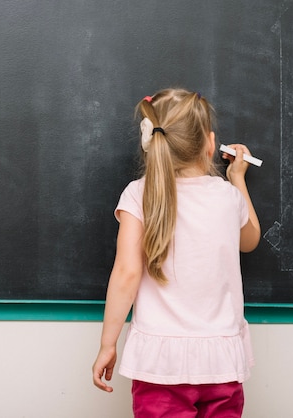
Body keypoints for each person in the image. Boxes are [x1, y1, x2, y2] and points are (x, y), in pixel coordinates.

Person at [92, 88, 261, 417]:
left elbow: (127, 273)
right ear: (210, 144)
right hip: (221, 361)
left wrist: (108, 344)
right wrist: (237, 179)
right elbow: (250, 239)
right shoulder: (227, 197)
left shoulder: (138, 194)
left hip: (160, 363)